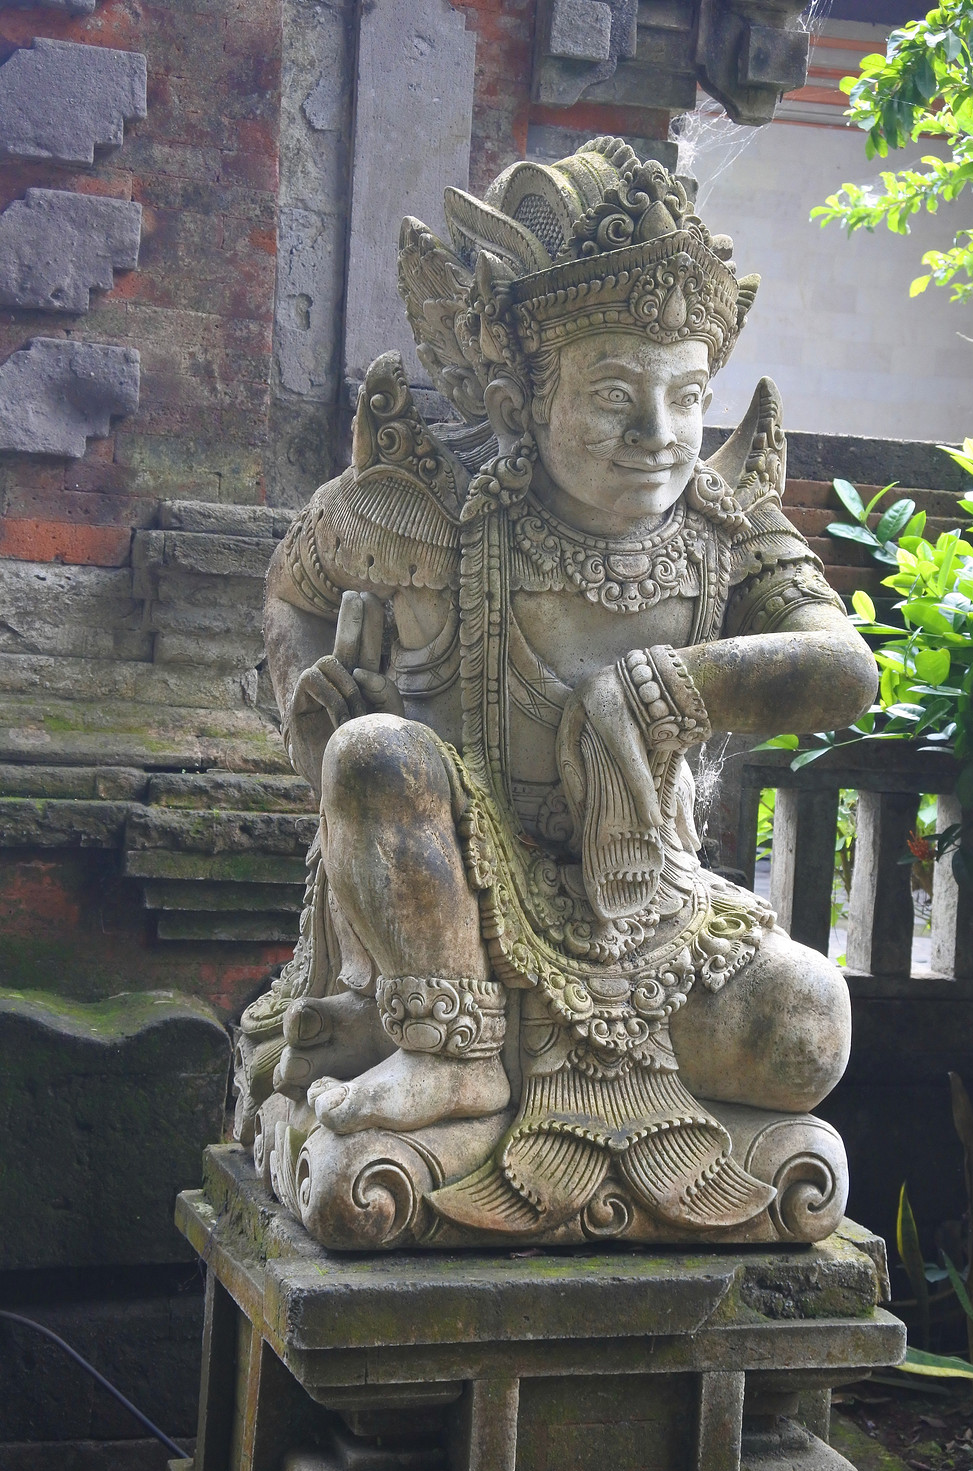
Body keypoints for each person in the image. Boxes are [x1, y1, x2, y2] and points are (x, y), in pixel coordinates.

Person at [240, 138, 878, 1241]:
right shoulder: (429, 514)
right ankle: (449, 1060)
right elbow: (291, 586)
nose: (660, 438)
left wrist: (681, 683)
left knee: (809, 1025)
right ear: (524, 394)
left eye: (686, 397)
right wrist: (309, 687)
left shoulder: (727, 530)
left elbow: (843, 670)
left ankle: (452, 1055)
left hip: (652, 926)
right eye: (615, 396)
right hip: (456, 925)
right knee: (379, 757)